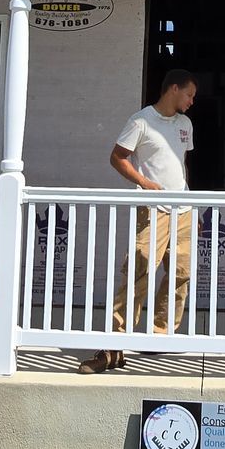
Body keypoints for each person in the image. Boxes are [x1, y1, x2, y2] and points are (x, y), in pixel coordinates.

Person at [80, 69, 197, 374]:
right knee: (138, 272)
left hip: (183, 210)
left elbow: (182, 166)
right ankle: (113, 346)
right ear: (174, 89)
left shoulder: (185, 124)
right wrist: (145, 183)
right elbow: (117, 157)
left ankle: (160, 336)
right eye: (189, 95)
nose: (192, 101)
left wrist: (192, 204)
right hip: (154, 209)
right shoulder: (141, 121)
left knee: (180, 275)